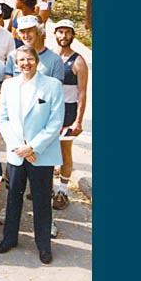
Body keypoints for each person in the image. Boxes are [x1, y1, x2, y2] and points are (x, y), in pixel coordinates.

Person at [0, 46, 64, 265]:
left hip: (40, 154)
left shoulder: (52, 86)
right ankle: (9, 238)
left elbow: (56, 122)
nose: (25, 63)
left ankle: (43, 245)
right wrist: (18, 147)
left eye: (29, 59)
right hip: (17, 152)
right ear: (16, 63)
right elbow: (2, 118)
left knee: (42, 200)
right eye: (21, 60)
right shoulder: (9, 85)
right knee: (14, 195)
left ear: (37, 61)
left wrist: (33, 147)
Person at [53, 20, 88, 215]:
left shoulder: (78, 61)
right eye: (60, 32)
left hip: (68, 111)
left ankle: (62, 191)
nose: (63, 36)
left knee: (65, 151)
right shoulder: (49, 57)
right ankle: (45, 186)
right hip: (50, 111)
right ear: (55, 34)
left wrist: (79, 120)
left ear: (73, 35)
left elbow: (82, 92)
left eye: (67, 32)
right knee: (46, 150)